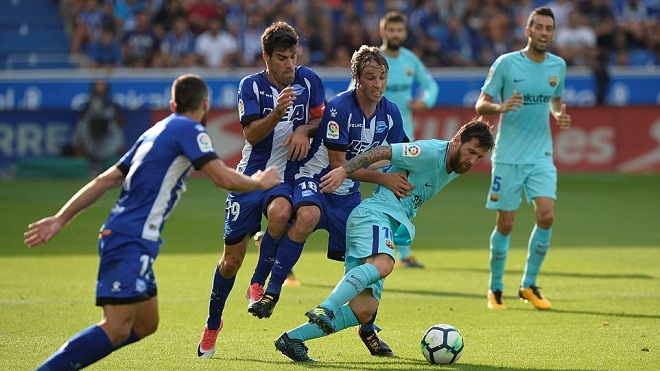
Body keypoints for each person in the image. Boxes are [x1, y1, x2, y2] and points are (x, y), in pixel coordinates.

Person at [23, 73, 281, 371]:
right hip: (129, 237)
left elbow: (105, 179)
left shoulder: (153, 132)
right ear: (205, 104)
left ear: (173, 103)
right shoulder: (190, 129)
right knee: (117, 327)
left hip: (130, 236)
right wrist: (258, 181)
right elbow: (222, 178)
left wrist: (60, 218)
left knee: (147, 323)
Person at [273, 118, 494, 362]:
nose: (472, 161)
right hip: (375, 216)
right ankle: (325, 307)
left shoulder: (455, 166)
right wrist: (344, 170)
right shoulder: (430, 152)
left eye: (479, 157)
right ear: (456, 141)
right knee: (384, 263)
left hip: (382, 222)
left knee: (364, 310)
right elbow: (382, 152)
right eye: (470, 152)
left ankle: (292, 339)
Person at [248, 45, 411, 357]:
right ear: (357, 80)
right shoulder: (339, 108)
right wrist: (383, 178)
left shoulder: (390, 113)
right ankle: (271, 292)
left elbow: (402, 152)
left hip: (349, 196)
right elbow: (339, 164)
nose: (377, 84)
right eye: (370, 78)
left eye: (382, 78)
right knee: (307, 216)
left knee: (369, 263)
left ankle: (367, 328)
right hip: (316, 178)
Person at [197, 21, 326, 359]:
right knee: (229, 262)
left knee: (282, 213)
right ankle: (213, 324)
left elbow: (322, 120)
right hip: (250, 177)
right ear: (266, 58)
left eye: (293, 57)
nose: (290, 65)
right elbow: (251, 135)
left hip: (285, 177)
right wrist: (278, 113)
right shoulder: (250, 86)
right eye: (282, 58)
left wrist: (303, 130)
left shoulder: (309, 80)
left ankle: (259, 284)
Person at [474, 6, 571, 311]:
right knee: (506, 223)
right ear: (528, 31)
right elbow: (481, 105)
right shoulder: (506, 64)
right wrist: (501, 108)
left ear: (553, 33)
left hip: (541, 154)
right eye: (538, 27)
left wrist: (559, 114)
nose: (544, 33)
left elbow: (555, 99)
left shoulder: (558, 66)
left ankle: (528, 284)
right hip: (509, 156)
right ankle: (495, 288)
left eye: (548, 28)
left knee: (547, 215)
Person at [378, 10, 439, 268]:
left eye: (399, 30)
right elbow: (352, 89)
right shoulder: (374, 59)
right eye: (391, 30)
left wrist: (426, 101)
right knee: (352, 189)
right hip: (373, 138)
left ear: (404, 33)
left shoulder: (410, 60)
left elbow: (431, 84)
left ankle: (402, 253)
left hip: (404, 142)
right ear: (383, 32)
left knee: (401, 193)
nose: (395, 34)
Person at [74, 79, 125, 177]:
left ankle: (120, 166)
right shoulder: (87, 105)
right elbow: (81, 121)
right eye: (98, 85)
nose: (100, 88)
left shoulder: (112, 104)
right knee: (80, 129)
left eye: (102, 85)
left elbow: (121, 122)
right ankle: (82, 166)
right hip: (90, 134)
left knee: (118, 132)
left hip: (109, 136)